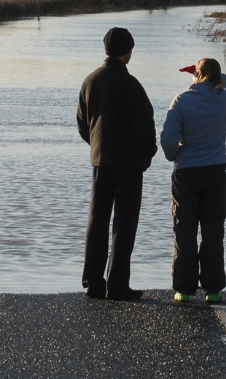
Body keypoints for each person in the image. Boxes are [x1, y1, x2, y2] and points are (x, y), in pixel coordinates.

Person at [77, 27, 157, 301]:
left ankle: (94, 281)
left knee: (97, 219)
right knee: (124, 223)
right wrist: (148, 154)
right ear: (128, 52)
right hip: (129, 165)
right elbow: (144, 126)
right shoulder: (130, 84)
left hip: (100, 161)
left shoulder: (90, 81)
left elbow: (82, 124)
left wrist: (97, 147)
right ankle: (118, 283)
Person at [159, 57, 226, 304]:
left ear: (198, 74)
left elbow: (168, 141)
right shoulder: (225, 99)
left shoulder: (181, 101)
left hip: (187, 173)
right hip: (215, 172)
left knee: (185, 230)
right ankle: (213, 289)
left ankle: (184, 288)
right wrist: (209, 75)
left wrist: (176, 155)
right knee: (213, 231)